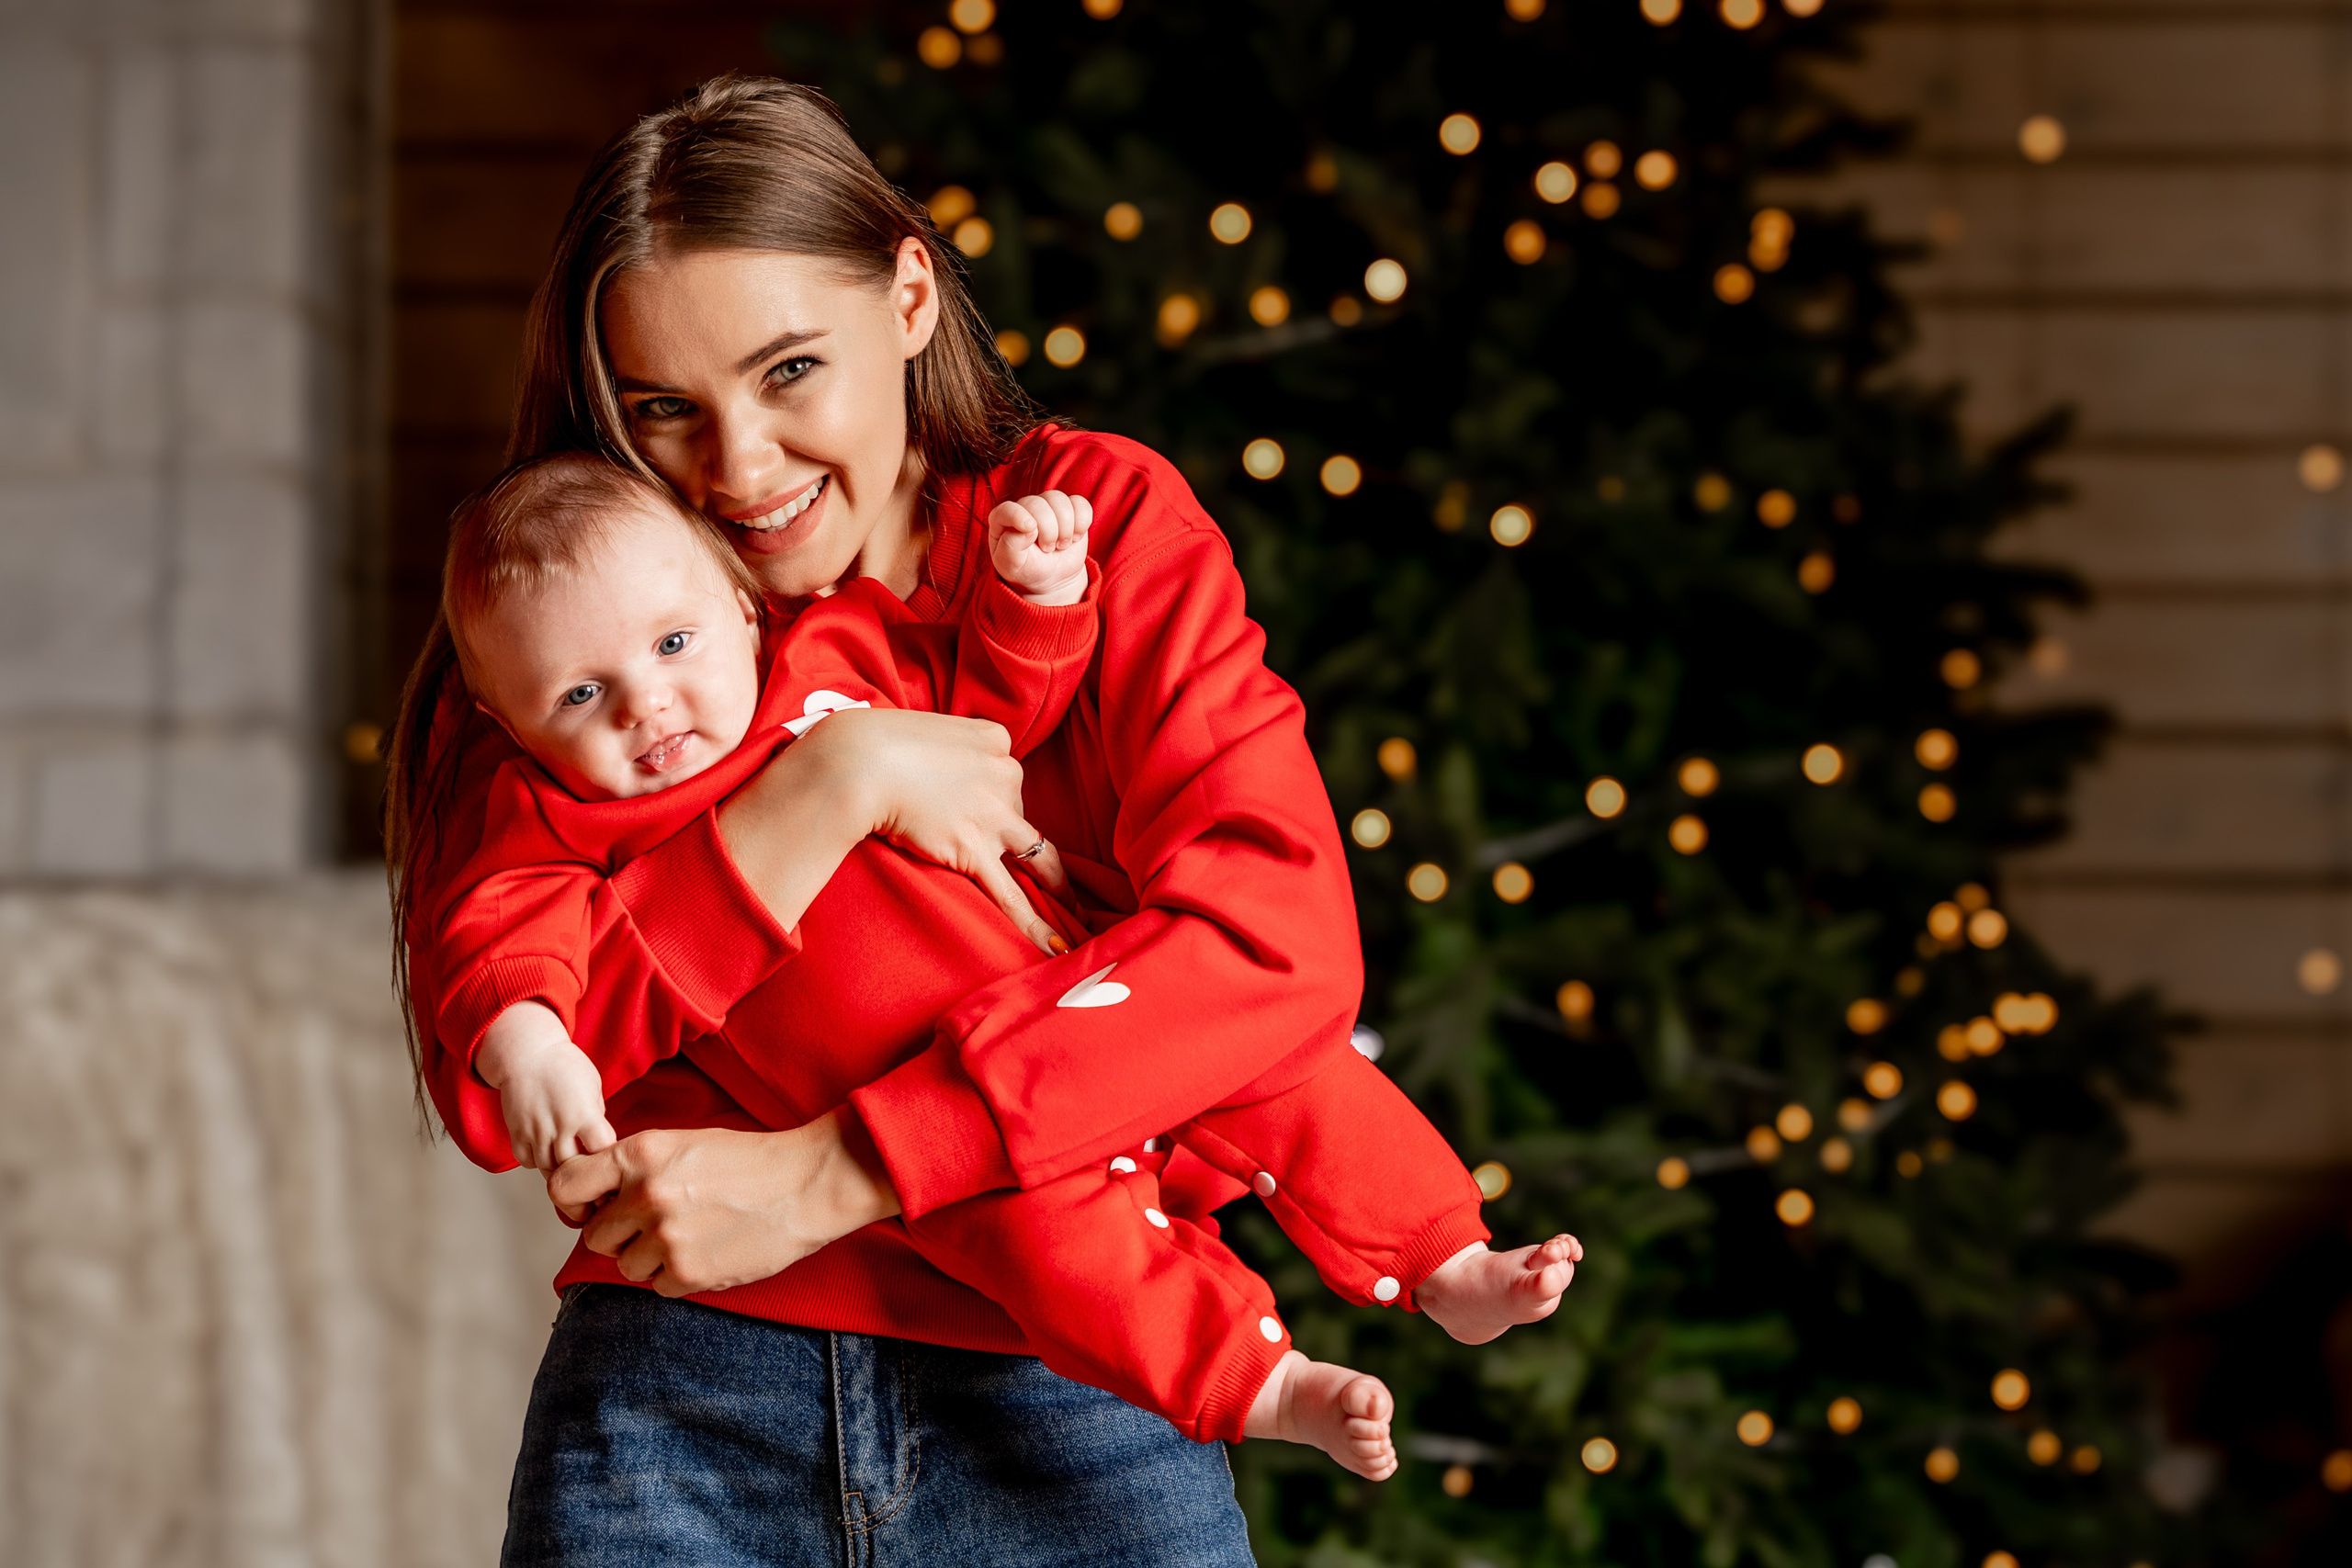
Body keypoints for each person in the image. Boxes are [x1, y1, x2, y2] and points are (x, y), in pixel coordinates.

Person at [389, 75, 1580, 1565]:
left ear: (907, 293)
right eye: (664, 410)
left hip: (1078, 1382)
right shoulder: (573, 628)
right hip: (682, 1393)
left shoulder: (1093, 525)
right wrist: (833, 788)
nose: (740, 469)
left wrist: (835, 1168)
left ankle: (1429, 1245)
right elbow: (505, 1093)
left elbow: (1269, 948)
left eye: (790, 370)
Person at [419, 449, 1580, 1483]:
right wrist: (525, 1039)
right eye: (581, 695)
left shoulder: (837, 655)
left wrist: (1038, 605)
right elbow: (498, 933)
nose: (649, 705)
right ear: (505, 719)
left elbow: (988, 722)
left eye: (674, 645)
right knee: (1062, 1250)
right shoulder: (552, 816)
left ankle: (1444, 1254)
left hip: (1076, 1006)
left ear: (737, 600)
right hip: (934, 1135)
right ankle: (1262, 1384)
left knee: (1292, 1078)